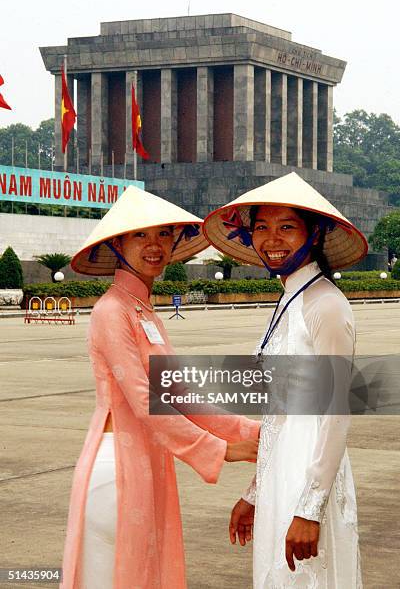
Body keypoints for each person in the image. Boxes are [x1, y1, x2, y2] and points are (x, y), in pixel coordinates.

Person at [61, 186, 260, 589]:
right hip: (117, 468)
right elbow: (144, 400)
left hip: (147, 464)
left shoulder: (144, 311)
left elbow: (179, 393)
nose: (155, 246)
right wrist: (219, 450)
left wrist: (252, 433)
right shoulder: (111, 311)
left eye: (164, 234)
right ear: (117, 243)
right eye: (140, 235)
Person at [203, 172, 367, 588]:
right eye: (261, 227)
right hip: (281, 473)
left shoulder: (325, 304)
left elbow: (334, 412)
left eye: (287, 227)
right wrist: (255, 492)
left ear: (313, 235)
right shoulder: (291, 299)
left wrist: (310, 509)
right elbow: (280, 414)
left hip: (310, 476)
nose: (272, 239)